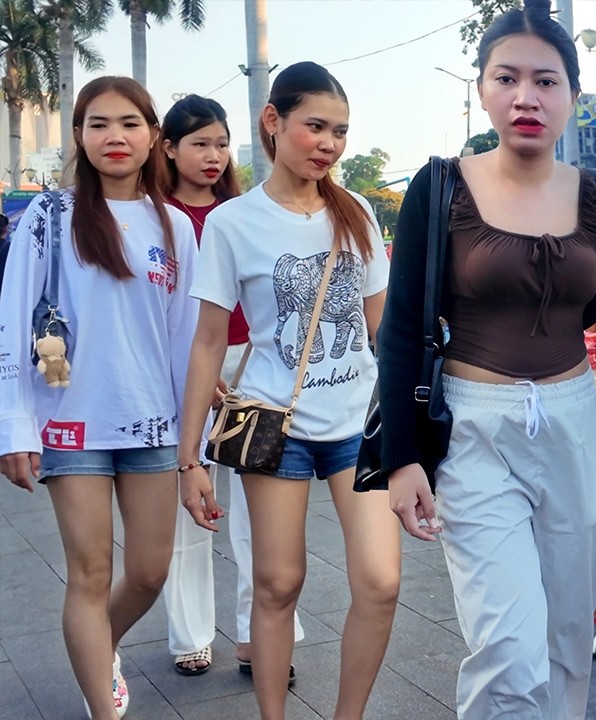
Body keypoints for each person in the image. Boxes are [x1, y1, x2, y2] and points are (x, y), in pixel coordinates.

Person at [376, 2, 596, 717]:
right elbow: (403, 328)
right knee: (507, 647)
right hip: (475, 433)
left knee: (568, 638)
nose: (525, 97)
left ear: (572, 94)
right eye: (506, 78)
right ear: (483, 88)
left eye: (545, 81)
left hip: (573, 428)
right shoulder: (439, 188)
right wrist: (401, 457)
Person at [176, 62, 399, 720]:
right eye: (315, 126)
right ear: (273, 122)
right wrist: (190, 460)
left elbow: (383, 329)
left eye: (340, 131)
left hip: (358, 425)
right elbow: (207, 342)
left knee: (382, 582)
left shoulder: (356, 212)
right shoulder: (233, 223)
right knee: (277, 584)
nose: (329, 144)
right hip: (276, 424)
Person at [0, 76, 200, 720]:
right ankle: (101, 704)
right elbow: (12, 319)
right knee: (88, 573)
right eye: (98, 124)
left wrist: (192, 446)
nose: (115, 136)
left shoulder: (174, 225)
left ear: (155, 138)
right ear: (80, 136)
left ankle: (95, 647)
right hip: (70, 422)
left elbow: (185, 338)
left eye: (130, 124)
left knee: (149, 573)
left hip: (151, 423)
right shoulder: (50, 216)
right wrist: (14, 426)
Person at [158, 95, 306, 679]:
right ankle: (191, 636)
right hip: (185, 370)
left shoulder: (247, 212)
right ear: (169, 149)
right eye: (199, 144)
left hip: (254, 369)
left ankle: (258, 635)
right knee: (189, 503)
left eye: (221, 143)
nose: (213, 155)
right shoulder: (155, 217)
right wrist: (192, 366)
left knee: (259, 510)